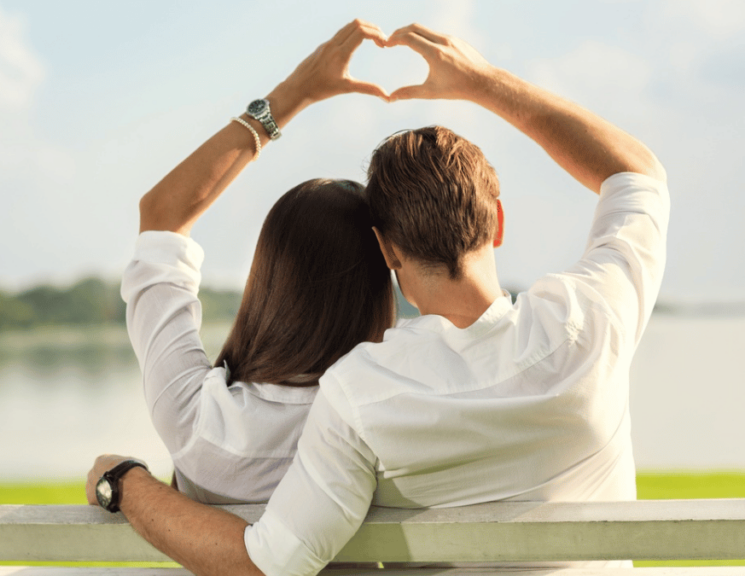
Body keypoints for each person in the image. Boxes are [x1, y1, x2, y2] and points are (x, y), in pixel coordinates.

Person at [85, 18, 669, 576]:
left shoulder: (362, 396)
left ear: (388, 252)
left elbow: (272, 560)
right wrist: (484, 83)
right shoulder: (590, 320)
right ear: (496, 222)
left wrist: (289, 97)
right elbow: (636, 174)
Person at [119, 22, 395, 504]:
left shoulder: (197, 420)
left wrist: (292, 95)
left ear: (269, 280)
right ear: (378, 286)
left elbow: (162, 218)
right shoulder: (392, 425)